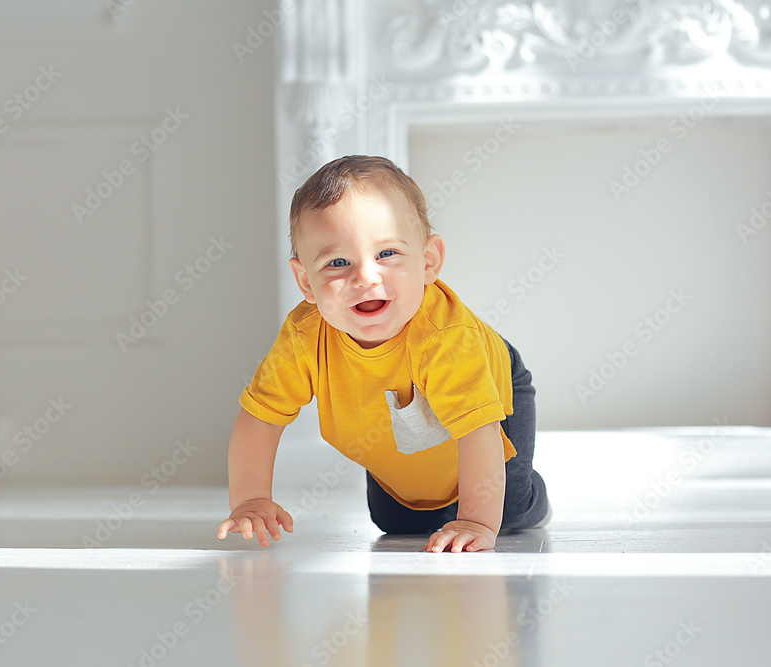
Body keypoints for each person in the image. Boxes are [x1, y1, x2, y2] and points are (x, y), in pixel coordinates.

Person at [218, 155, 549, 553]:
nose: (364, 277)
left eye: (387, 254)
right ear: (306, 282)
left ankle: (529, 497)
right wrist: (251, 499)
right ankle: (447, 502)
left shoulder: (446, 339)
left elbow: (477, 431)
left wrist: (475, 522)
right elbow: (260, 418)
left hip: (493, 395)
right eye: (338, 262)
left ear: (428, 262)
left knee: (507, 505)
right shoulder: (305, 338)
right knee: (397, 522)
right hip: (396, 431)